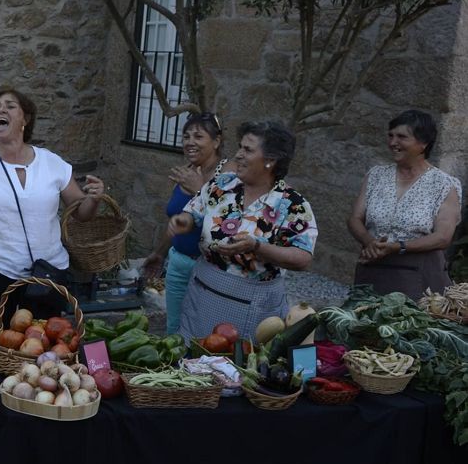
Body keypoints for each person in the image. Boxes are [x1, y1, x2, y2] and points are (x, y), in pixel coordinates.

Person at [0, 88, 106, 440]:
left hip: (48, 276)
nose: (0, 110)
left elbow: (81, 213)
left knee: (52, 349)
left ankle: (43, 414)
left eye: (10, 106)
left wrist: (95, 198)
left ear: (25, 119)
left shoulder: (52, 162)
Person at [169, 121, 317, 342]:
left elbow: (303, 258)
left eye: (247, 150)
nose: (237, 155)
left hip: (254, 307)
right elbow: (196, 212)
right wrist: (185, 221)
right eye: (240, 147)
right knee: (192, 358)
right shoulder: (222, 185)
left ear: (270, 160)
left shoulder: (293, 206)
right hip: (202, 297)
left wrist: (257, 247)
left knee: (239, 366)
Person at [349, 110, 462, 300]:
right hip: (373, 268)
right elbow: (355, 218)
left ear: (423, 144)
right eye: (391, 135)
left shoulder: (443, 184)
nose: (393, 143)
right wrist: (370, 242)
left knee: (409, 326)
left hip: (418, 276)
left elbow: (443, 237)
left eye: (402, 137)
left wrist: (397, 247)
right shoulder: (376, 175)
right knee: (365, 323)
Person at [142, 113, 232, 334]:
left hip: (210, 266)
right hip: (178, 264)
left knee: (207, 332)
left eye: (198, 136)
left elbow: (231, 222)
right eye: (186, 136)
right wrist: (160, 253)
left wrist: (200, 189)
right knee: (174, 329)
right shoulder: (188, 171)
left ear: (217, 141)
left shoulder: (229, 174)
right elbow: (177, 221)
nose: (190, 142)